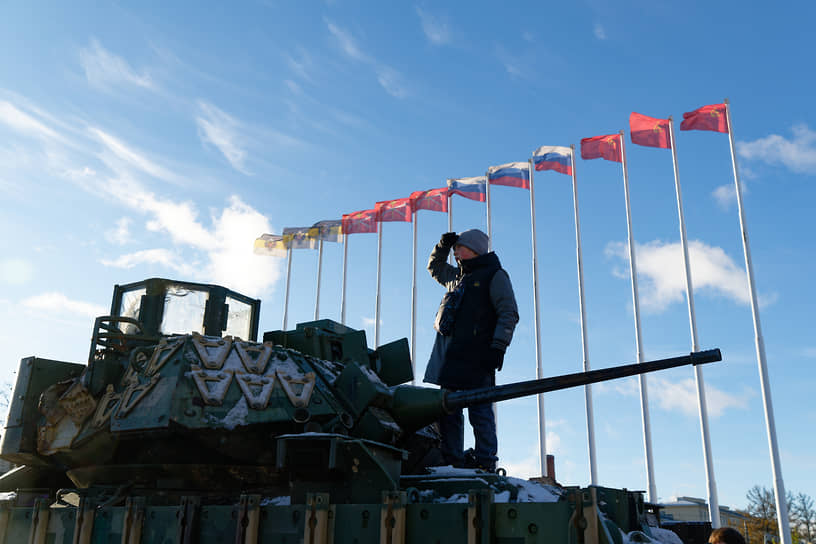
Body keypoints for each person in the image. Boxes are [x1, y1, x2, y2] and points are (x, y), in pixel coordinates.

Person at [423, 229, 519, 472]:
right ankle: (451, 460)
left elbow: (508, 313)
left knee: (480, 411)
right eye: (454, 249)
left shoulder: (495, 276)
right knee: (448, 411)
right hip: (451, 359)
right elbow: (434, 267)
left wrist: (498, 348)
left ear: (474, 249)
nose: (455, 252)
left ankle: (486, 462)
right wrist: (442, 246)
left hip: (478, 358)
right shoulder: (458, 278)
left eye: (459, 247)